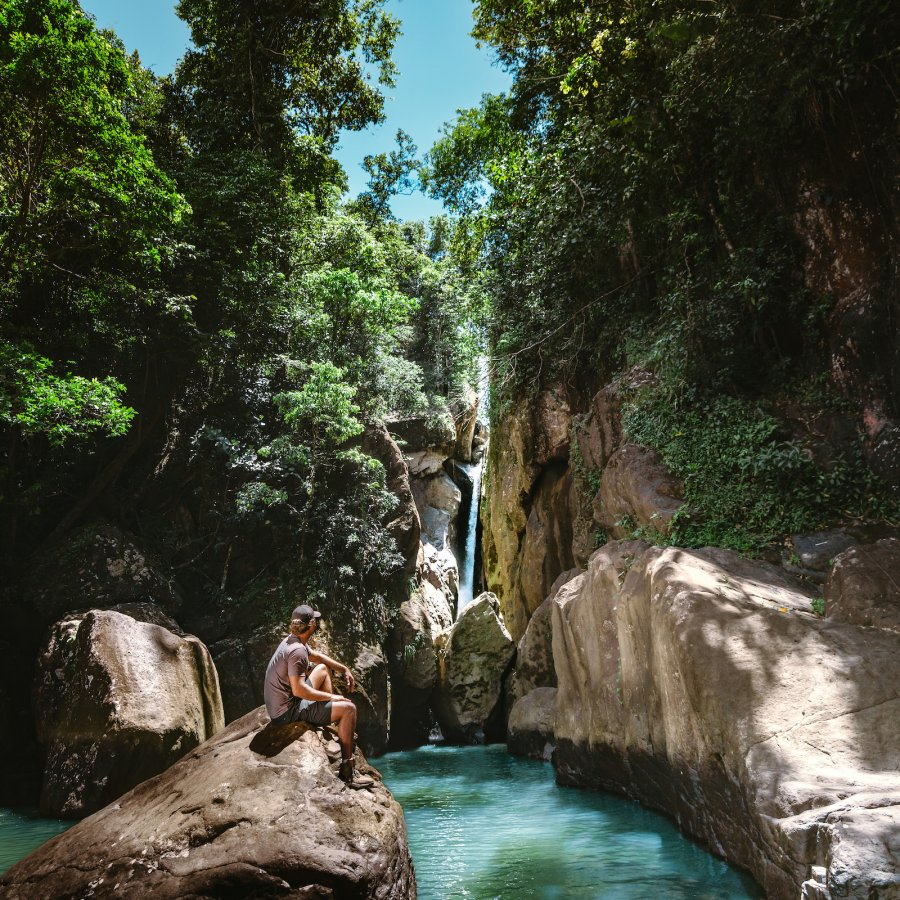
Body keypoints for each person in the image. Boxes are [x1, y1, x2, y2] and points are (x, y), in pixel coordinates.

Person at [264, 604, 374, 789]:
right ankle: (348, 770)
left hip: (283, 703)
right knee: (349, 709)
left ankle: (326, 718)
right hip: (286, 712)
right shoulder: (297, 651)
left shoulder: (293, 641)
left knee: (322, 670)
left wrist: (343, 669)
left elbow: (318, 658)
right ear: (312, 624)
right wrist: (331, 698)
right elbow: (299, 691)